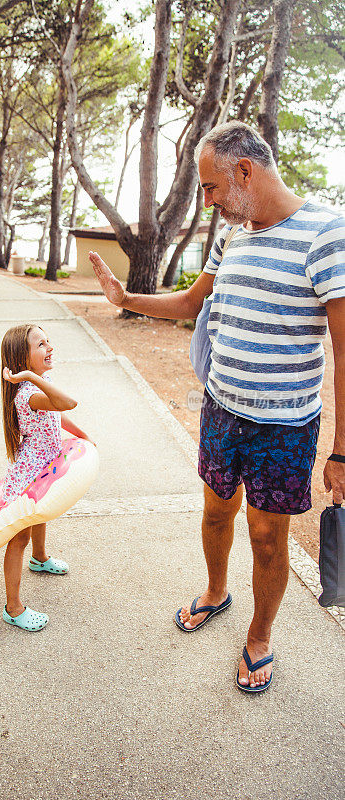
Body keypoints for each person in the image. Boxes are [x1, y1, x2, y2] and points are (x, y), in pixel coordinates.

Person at [88, 121, 345, 692]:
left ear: (245, 171)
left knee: (266, 535)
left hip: (283, 426)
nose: (207, 201)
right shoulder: (232, 236)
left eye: (211, 187)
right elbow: (189, 302)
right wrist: (126, 298)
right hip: (221, 411)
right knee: (214, 514)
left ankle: (259, 636)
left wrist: (343, 451)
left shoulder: (328, 233)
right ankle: (215, 591)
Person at [0, 323, 93, 632]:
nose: (49, 347)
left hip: (42, 467)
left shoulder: (41, 386)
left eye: (48, 341)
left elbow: (58, 413)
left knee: (42, 513)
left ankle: (39, 559)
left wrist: (82, 435)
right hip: (27, 476)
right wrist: (29, 377)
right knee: (19, 537)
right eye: (40, 345)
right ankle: (13, 608)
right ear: (22, 360)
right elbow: (66, 402)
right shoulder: (28, 394)